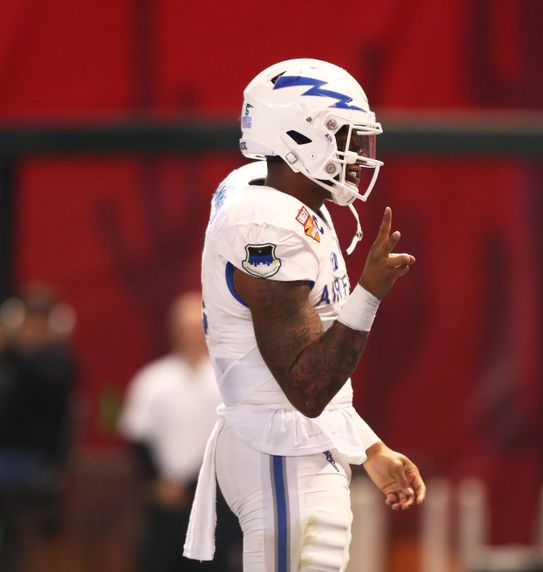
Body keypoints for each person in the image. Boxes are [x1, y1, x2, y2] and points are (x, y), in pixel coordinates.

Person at [183, 59, 426, 572]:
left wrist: (367, 446)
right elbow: (305, 387)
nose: (358, 156)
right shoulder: (266, 226)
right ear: (297, 135)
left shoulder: (284, 200)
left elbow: (287, 374)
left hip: (289, 444)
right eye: (346, 138)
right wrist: (370, 292)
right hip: (280, 451)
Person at [119, 291, 240, 572]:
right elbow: (138, 436)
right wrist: (160, 483)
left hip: (216, 501)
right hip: (162, 501)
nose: (190, 335)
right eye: (183, 328)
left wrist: (192, 485)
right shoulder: (152, 380)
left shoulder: (228, 382)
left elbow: (232, 439)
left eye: (196, 327)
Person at [0, 285, 77, 572]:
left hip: (34, 458)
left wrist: (13, 349)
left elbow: (43, 386)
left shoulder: (59, 361)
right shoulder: (11, 361)